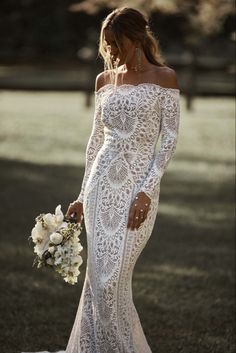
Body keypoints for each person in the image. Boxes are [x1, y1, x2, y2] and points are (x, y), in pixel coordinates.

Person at [23, 6, 180, 353]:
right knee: (98, 281)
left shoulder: (165, 78)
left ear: (136, 37)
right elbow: (95, 142)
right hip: (99, 188)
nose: (109, 50)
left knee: (112, 282)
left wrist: (146, 190)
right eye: (106, 44)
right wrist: (80, 195)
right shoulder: (104, 81)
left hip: (138, 190)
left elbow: (167, 142)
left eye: (115, 42)